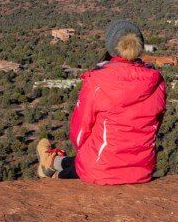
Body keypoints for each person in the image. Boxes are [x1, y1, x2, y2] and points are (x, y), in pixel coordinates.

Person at [35, 19, 166, 184]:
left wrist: (88, 152)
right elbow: (155, 126)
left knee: (94, 158)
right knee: (98, 157)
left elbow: (79, 133)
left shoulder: (97, 81)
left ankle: (51, 165)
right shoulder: (156, 81)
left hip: (100, 169)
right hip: (142, 169)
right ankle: (51, 162)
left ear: (111, 47)